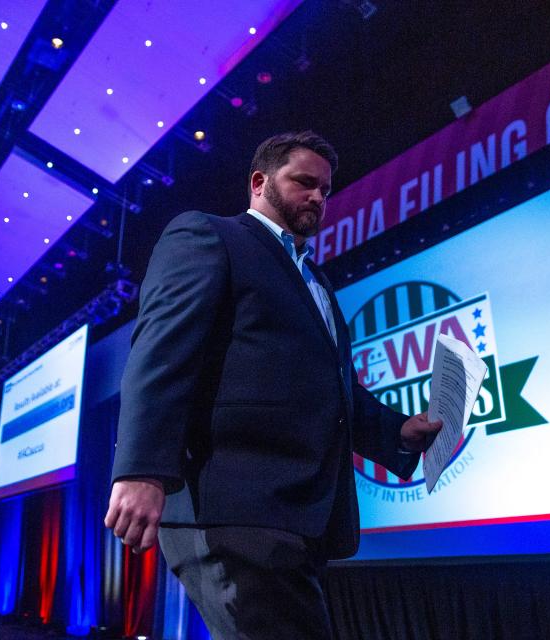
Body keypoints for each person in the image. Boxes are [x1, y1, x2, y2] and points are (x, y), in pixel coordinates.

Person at [104, 131, 443, 639]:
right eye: (305, 182)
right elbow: (161, 352)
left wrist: (398, 433)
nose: (318, 198)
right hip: (232, 508)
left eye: (325, 190)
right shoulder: (208, 235)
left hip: (295, 517)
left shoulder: (317, 281)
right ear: (260, 182)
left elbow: (332, 392)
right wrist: (142, 470)